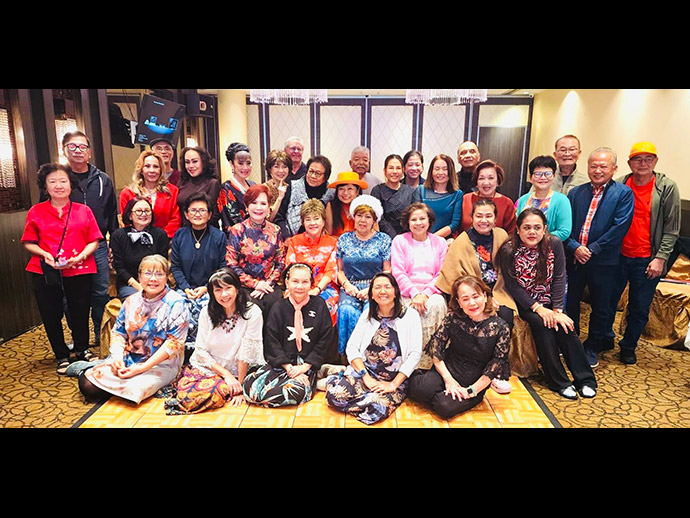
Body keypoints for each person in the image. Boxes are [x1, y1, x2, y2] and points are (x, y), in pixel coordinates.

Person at [498, 208, 597, 400]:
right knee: (543, 325)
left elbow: (560, 277)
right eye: (526, 227)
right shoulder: (508, 250)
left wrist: (557, 309)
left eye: (537, 227)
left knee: (566, 326)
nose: (532, 232)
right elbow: (513, 286)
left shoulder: (554, 243)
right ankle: (560, 381)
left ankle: (585, 380)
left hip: (552, 301)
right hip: (526, 303)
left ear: (544, 229)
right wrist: (539, 308)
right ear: (518, 229)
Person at [22, 163, 103, 374]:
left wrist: (81, 256)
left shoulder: (84, 210)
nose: (58, 185)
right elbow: (29, 241)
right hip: (45, 270)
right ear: (45, 186)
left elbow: (94, 240)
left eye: (63, 181)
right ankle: (61, 355)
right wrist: (44, 254)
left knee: (80, 310)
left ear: (70, 184)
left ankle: (82, 349)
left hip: (80, 267)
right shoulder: (36, 211)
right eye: (53, 181)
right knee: (50, 313)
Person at [606, 141, 681, 365]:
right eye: (638, 159)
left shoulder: (666, 188)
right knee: (607, 301)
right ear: (629, 163)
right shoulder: (620, 185)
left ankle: (628, 345)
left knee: (639, 306)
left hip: (648, 259)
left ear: (655, 162)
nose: (643, 163)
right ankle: (605, 337)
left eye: (648, 159)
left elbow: (672, 229)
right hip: (618, 256)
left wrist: (660, 258)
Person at [78, 254, 188, 404]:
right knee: (86, 383)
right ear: (140, 277)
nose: (153, 279)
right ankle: (101, 372)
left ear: (166, 277)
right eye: (148, 273)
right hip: (128, 359)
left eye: (159, 274)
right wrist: (117, 359)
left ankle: (115, 382)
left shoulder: (176, 302)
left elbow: (174, 343)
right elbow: (118, 333)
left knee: (135, 390)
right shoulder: (131, 301)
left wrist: (141, 368)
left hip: (160, 364)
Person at [435, 198, 517, 393]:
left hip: (499, 289)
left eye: (489, 216)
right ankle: (478, 368)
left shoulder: (501, 235)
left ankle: (497, 372)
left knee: (506, 314)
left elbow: (508, 265)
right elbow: (455, 275)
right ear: (471, 218)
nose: (484, 220)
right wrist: (484, 297)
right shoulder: (462, 241)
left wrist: (494, 296)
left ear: (495, 219)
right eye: (479, 216)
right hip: (473, 293)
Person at [565, 147, 634, 368]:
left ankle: (592, 346)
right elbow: (567, 225)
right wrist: (575, 247)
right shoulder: (576, 193)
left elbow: (619, 228)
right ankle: (571, 342)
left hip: (605, 261)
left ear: (614, 168)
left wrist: (592, 249)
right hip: (575, 258)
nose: (597, 170)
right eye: (593, 166)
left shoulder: (623, 194)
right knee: (570, 302)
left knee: (602, 306)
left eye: (603, 166)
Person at [407, 275, 511, 418]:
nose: (472, 303)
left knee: (444, 406)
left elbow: (495, 366)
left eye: (476, 296)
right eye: (465, 299)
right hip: (448, 369)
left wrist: (471, 391)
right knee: (420, 390)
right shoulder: (453, 318)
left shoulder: (501, 328)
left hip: (474, 381)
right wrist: (448, 380)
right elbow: (436, 349)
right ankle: (426, 380)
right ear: (459, 302)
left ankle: (444, 395)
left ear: (485, 296)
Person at [325, 272, 422, 425]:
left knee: (377, 409)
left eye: (387, 287)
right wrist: (365, 377)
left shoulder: (410, 316)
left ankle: (340, 379)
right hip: (366, 373)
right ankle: (348, 385)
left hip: (393, 378)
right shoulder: (367, 315)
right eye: (377, 287)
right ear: (371, 294)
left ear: (395, 292)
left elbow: (415, 354)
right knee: (334, 396)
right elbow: (352, 347)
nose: (382, 291)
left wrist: (393, 385)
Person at [164, 268, 265, 414]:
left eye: (228, 288)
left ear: (237, 289)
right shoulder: (206, 312)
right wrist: (227, 375)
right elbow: (200, 350)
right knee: (188, 396)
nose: (224, 294)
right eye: (218, 290)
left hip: (243, 370)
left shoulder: (252, 312)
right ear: (212, 293)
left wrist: (239, 386)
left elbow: (246, 352)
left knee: (218, 392)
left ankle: (227, 388)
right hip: (211, 368)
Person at [243, 263, 334, 407]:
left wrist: (305, 367)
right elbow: (271, 340)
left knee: (291, 392)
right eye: (295, 281)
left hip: (307, 364)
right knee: (250, 389)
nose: (299, 286)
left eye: (305, 282)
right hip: (283, 363)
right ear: (287, 282)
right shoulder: (278, 306)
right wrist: (289, 367)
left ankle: (316, 375)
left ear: (311, 283)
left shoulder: (319, 304)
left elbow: (325, 339)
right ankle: (320, 379)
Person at [61, 131, 117, 350]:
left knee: (100, 292)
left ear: (89, 152)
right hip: (68, 247)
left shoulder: (103, 179)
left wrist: (113, 244)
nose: (78, 151)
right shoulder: (59, 179)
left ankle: (99, 335)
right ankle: (79, 336)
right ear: (64, 150)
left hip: (99, 245)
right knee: (72, 295)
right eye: (72, 146)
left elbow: (111, 213)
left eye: (82, 147)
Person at [171, 192, 228, 350]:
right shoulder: (179, 235)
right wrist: (186, 288)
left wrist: (206, 287)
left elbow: (222, 267)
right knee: (178, 305)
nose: (197, 214)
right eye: (193, 210)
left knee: (207, 306)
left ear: (209, 215)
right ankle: (182, 349)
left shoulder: (219, 236)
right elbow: (175, 266)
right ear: (186, 214)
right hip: (185, 289)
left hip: (211, 288)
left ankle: (205, 349)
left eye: (202, 210)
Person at [336, 195, 392, 354]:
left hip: (376, 286)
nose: (363, 220)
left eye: (368, 217)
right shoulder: (344, 239)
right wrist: (347, 285)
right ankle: (349, 356)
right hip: (350, 286)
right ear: (353, 217)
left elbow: (387, 270)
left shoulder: (384, 240)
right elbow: (339, 270)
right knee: (347, 310)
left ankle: (371, 356)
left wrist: (372, 288)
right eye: (359, 215)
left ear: (374, 220)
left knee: (371, 313)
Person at [390, 202, 448, 355]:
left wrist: (425, 294)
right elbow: (398, 272)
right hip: (406, 292)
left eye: (422, 218)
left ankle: (431, 357)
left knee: (436, 304)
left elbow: (442, 274)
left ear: (429, 221)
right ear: (407, 222)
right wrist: (415, 293)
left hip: (432, 292)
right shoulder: (399, 241)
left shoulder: (440, 242)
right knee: (409, 310)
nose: (418, 223)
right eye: (413, 219)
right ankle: (408, 357)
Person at [226, 184, 286, 316]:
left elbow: (281, 261)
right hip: (244, 285)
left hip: (269, 284)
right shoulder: (237, 230)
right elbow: (231, 263)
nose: (258, 207)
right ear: (247, 206)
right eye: (254, 203)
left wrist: (267, 283)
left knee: (276, 306)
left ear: (269, 207)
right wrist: (255, 284)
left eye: (263, 203)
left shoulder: (275, 230)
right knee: (252, 308)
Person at [285, 199, 339, 325]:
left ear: (323, 221)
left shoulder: (333, 243)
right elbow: (290, 268)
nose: (312, 223)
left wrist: (317, 289)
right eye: (308, 219)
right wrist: (304, 289)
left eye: (316, 218)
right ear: (303, 222)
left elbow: (331, 270)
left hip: (325, 287)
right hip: (298, 286)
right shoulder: (294, 241)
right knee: (290, 306)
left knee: (325, 306)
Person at [110, 196, 169, 300]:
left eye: (147, 211)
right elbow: (119, 267)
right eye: (139, 211)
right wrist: (139, 287)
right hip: (130, 284)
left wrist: (151, 286)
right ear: (130, 215)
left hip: (156, 283)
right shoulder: (118, 236)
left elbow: (162, 265)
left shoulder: (160, 234)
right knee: (138, 300)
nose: (144, 214)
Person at [119, 150, 181, 239]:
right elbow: (126, 221)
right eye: (147, 166)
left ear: (161, 170)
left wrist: (158, 238)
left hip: (164, 240)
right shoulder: (127, 193)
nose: (152, 170)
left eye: (156, 166)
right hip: (135, 241)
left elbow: (175, 220)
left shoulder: (172, 191)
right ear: (141, 169)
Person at [274, 155, 335, 238]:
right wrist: (287, 237)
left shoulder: (330, 194)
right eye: (311, 171)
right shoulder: (293, 187)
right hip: (291, 239)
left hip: (320, 241)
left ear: (326, 177)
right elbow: (279, 217)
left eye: (318, 173)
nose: (313, 176)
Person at [516, 155, 572, 241]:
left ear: (554, 176)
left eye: (548, 174)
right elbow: (518, 226)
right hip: (523, 246)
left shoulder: (562, 200)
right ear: (530, 177)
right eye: (538, 174)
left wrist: (538, 239)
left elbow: (564, 232)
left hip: (549, 247)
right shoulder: (523, 199)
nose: (543, 177)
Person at [371, 154, 421, 238]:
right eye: (391, 168)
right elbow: (377, 217)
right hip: (383, 237)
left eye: (398, 168)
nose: (394, 171)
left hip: (407, 237)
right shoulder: (377, 190)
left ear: (403, 171)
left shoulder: (411, 191)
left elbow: (415, 215)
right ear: (385, 171)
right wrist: (394, 237)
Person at [460, 159, 516, 234]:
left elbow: (511, 233)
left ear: (498, 181)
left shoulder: (506, 203)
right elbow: (457, 228)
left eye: (491, 178)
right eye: (481, 178)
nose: (486, 183)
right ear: (476, 182)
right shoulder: (466, 199)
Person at [418, 154, 463, 240]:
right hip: (420, 239)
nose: (440, 173)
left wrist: (432, 239)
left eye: (445, 169)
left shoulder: (457, 194)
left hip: (444, 241)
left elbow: (454, 224)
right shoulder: (420, 190)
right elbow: (415, 217)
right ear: (431, 171)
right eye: (437, 169)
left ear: (450, 171)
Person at [177, 146, 222, 228]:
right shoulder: (181, 182)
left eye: (195, 161)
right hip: (183, 231)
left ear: (203, 162)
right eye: (187, 162)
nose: (191, 165)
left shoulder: (212, 183)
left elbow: (215, 214)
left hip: (206, 231)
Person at [219, 142, 256, 233]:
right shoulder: (226, 188)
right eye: (240, 163)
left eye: (248, 163)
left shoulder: (253, 185)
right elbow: (233, 220)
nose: (245, 167)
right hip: (237, 236)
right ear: (232, 164)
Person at [325, 171, 367, 237]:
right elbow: (328, 234)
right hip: (337, 242)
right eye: (341, 189)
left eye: (350, 189)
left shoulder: (366, 206)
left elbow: (374, 234)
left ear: (357, 191)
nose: (345, 193)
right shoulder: (330, 206)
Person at [263, 149, 291, 222]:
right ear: (269, 169)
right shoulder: (263, 189)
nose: (281, 171)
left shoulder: (290, 188)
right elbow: (267, 219)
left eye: (284, 166)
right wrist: (279, 198)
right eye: (276, 167)